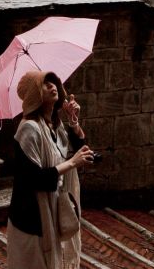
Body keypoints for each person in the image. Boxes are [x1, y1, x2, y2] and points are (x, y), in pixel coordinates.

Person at [7, 70, 95, 269]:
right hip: (31, 219)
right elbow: (35, 179)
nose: (52, 86)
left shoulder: (54, 126)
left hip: (51, 210)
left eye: (53, 82)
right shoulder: (29, 129)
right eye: (44, 84)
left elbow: (80, 149)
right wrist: (72, 163)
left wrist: (74, 122)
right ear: (34, 94)